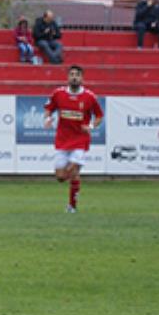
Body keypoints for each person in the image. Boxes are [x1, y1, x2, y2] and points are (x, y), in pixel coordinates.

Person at [43, 65, 103, 214]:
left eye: (77, 75)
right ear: (68, 77)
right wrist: (48, 118)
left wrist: (91, 126)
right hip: (63, 140)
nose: (74, 77)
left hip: (80, 140)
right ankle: (75, 180)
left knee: (73, 171)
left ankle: (72, 206)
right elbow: (48, 108)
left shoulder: (89, 96)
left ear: (82, 78)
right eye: (72, 74)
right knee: (60, 177)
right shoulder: (58, 93)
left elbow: (99, 116)